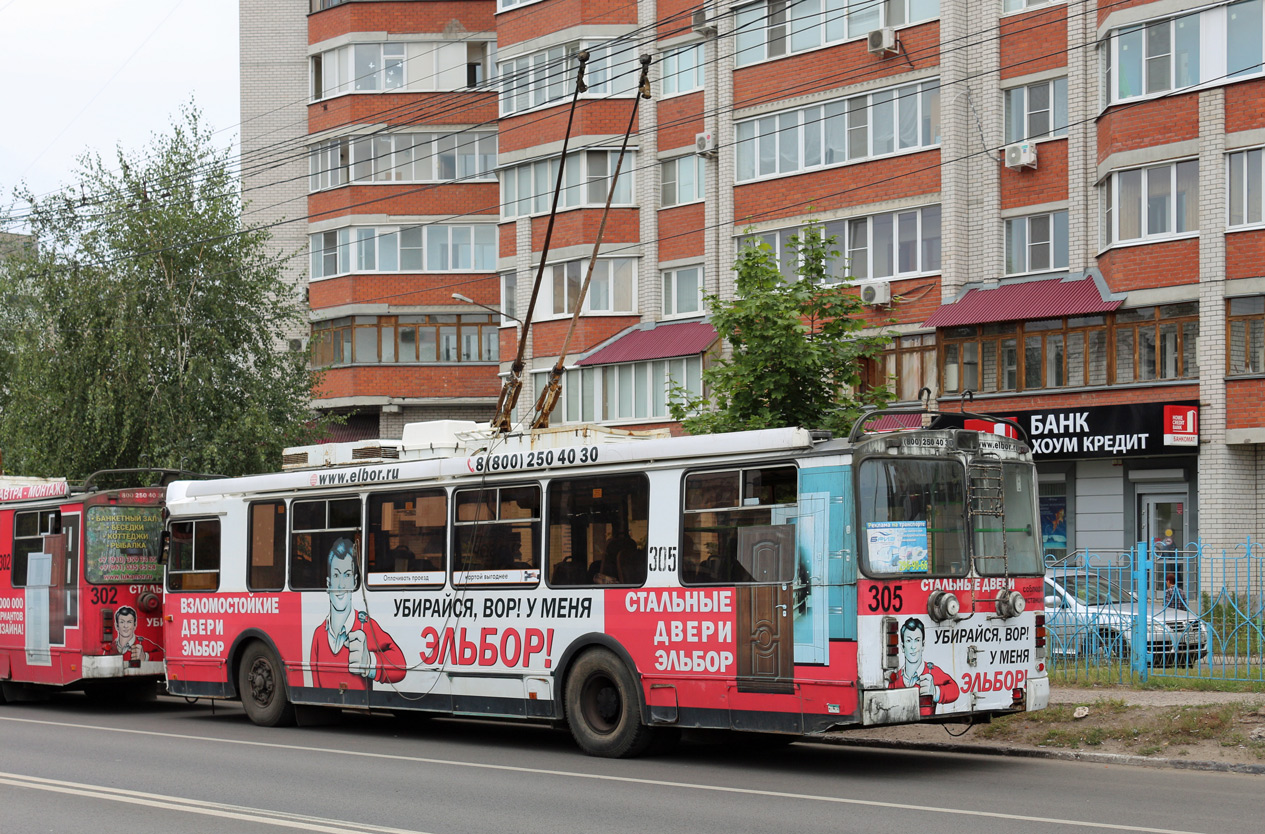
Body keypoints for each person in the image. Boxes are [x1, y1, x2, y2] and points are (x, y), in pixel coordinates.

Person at [310, 538, 406, 689]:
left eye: (347, 575)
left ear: (355, 582)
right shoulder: (318, 635)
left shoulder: (366, 625)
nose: (341, 584)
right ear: (328, 584)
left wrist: (369, 662)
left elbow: (401, 667)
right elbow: (316, 691)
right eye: (336, 576)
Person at [887, 617, 959, 717]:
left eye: (917, 640)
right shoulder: (895, 678)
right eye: (908, 641)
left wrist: (935, 691)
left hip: (928, 728)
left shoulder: (932, 673)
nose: (913, 646)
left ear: (923, 645)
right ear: (903, 647)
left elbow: (954, 690)